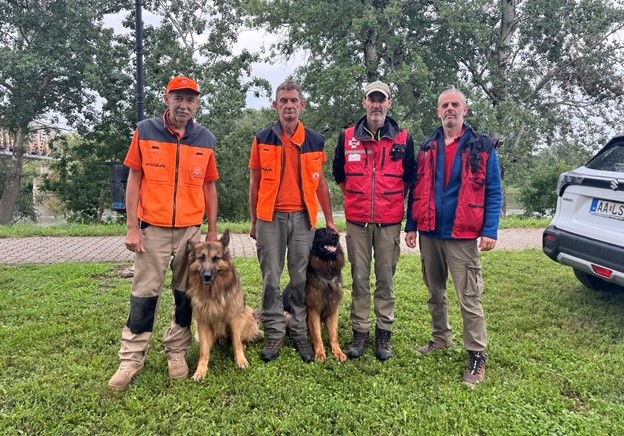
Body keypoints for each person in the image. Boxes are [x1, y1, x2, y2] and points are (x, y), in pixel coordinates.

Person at [108, 75, 219, 390]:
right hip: (152, 229)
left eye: (190, 99)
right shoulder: (145, 131)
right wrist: (132, 227)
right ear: (166, 99)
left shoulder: (205, 139)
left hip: (190, 232)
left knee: (186, 293)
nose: (184, 105)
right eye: (178, 98)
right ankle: (131, 359)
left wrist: (210, 230)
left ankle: (177, 350)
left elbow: (209, 185)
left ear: (197, 103)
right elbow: (134, 179)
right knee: (144, 294)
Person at [405, 88, 502, 385]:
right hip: (430, 231)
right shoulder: (427, 147)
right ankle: (440, 338)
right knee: (435, 292)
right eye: (444, 105)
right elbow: (417, 190)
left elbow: (494, 191)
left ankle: (476, 354)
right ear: (438, 111)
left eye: (455, 105)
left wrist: (489, 230)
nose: (450, 109)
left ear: (465, 110)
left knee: (469, 297)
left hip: (462, 234)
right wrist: (411, 225)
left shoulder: (482, 147)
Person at [248, 80, 338, 363]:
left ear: (302, 105)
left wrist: (330, 220)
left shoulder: (315, 140)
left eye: (293, 100)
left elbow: (321, 183)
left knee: (300, 279)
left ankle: (299, 332)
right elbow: (254, 183)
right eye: (283, 101)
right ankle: (275, 331)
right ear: (275, 105)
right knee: (271, 280)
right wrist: (253, 221)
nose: (288, 105)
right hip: (269, 219)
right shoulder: (262, 138)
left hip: (303, 219)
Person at [332, 80, 415, 361]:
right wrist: (358, 198)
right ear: (364, 103)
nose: (377, 104)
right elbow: (339, 174)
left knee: (386, 279)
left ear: (389, 103)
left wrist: (388, 202)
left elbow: (409, 179)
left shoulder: (403, 138)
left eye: (382, 99)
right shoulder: (346, 137)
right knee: (358, 278)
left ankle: (384, 333)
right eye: (372, 99)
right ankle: (360, 332)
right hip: (357, 221)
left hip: (389, 222)